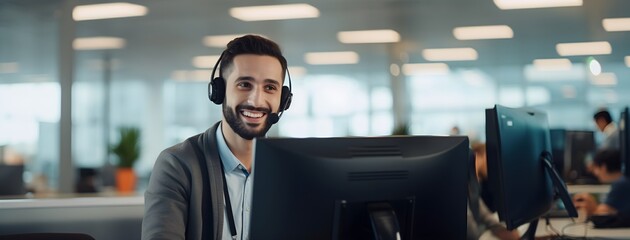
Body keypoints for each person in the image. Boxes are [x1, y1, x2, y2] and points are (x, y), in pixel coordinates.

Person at [142, 35, 292, 240]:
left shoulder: (289, 170)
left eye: (270, 88)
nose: (256, 100)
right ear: (219, 91)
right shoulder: (177, 165)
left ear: (282, 100)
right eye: (245, 84)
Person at [467, 142, 520, 240]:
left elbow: (482, 212)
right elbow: (468, 223)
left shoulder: (476, 181)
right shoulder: (463, 180)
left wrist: (502, 229)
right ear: (478, 155)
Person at [573, 149, 630, 218]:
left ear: (603, 167)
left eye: (595, 168)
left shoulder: (621, 184)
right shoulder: (624, 181)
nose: (595, 173)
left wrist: (591, 206)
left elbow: (602, 213)